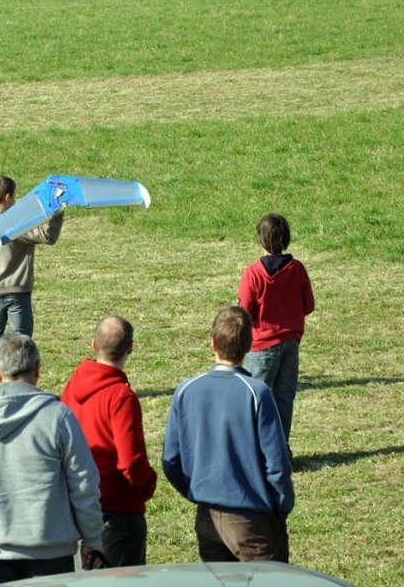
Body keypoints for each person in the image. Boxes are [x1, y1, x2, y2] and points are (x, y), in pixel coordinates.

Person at [0, 333, 104, 585]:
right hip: (53, 552)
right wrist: (92, 538)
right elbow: (83, 485)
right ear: (37, 368)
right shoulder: (59, 417)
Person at [162, 305, 294, 562]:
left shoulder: (186, 390)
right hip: (252, 521)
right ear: (249, 345)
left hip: (207, 517)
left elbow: (171, 461)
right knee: (269, 579)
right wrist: (281, 507)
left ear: (212, 342)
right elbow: (277, 465)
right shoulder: (257, 393)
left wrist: (197, 491)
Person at [61, 315, 157, 567]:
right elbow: (130, 461)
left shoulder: (71, 386)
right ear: (130, 348)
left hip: (79, 506)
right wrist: (148, 484)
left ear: (93, 344)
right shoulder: (121, 397)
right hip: (118, 511)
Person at [0, 174, 65, 392]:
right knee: (21, 342)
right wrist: (57, 215)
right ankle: (20, 387)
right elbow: (49, 237)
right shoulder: (17, 224)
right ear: (8, 197)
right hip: (18, 293)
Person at [237, 212, 315, 446]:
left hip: (261, 347)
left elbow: (244, 312)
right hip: (290, 344)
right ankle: (281, 451)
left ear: (261, 240)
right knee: (284, 400)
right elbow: (309, 305)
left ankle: (256, 453)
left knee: (256, 401)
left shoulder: (253, 273)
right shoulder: (297, 269)